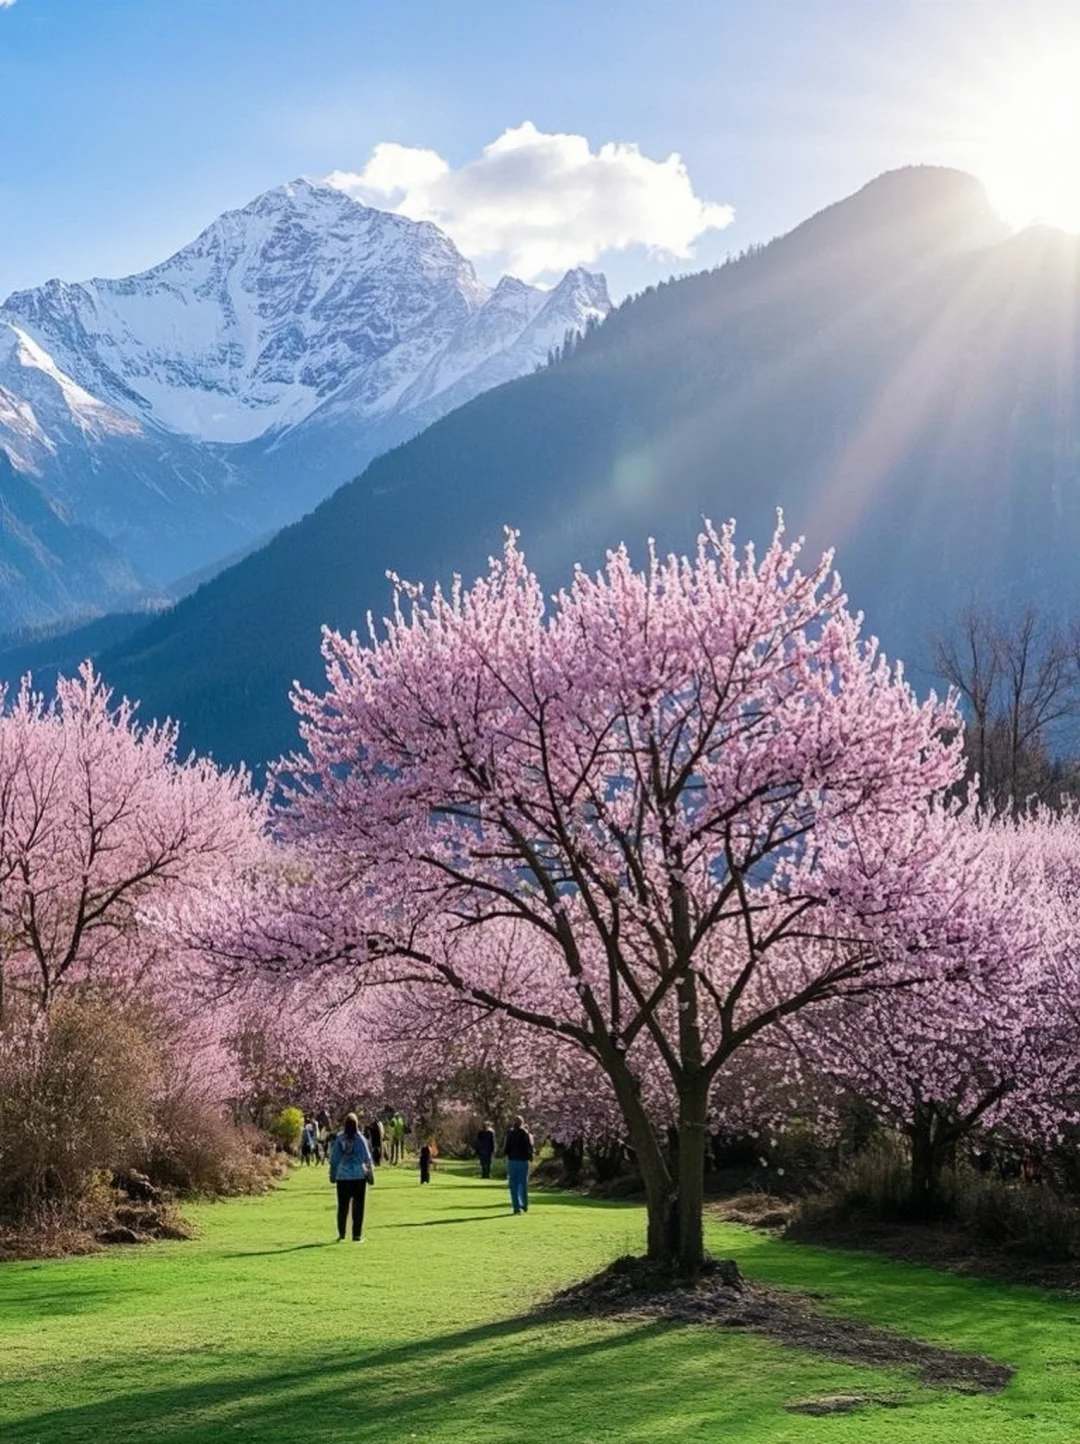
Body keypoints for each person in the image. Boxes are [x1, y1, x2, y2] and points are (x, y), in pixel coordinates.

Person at [329, 1113, 375, 1241]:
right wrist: (370, 1174)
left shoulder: (340, 1138)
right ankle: (356, 1234)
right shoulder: (360, 1139)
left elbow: (334, 1159)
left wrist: (332, 1174)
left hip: (342, 1176)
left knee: (342, 1206)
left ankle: (342, 1233)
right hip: (358, 1176)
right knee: (358, 1207)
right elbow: (366, 1158)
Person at [503, 1114, 534, 1215]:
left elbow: (506, 1148)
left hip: (512, 1161)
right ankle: (524, 1204)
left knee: (513, 1185)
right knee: (523, 1184)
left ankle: (516, 1207)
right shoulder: (525, 1134)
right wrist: (530, 1157)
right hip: (522, 1161)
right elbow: (529, 1147)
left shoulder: (510, 1134)